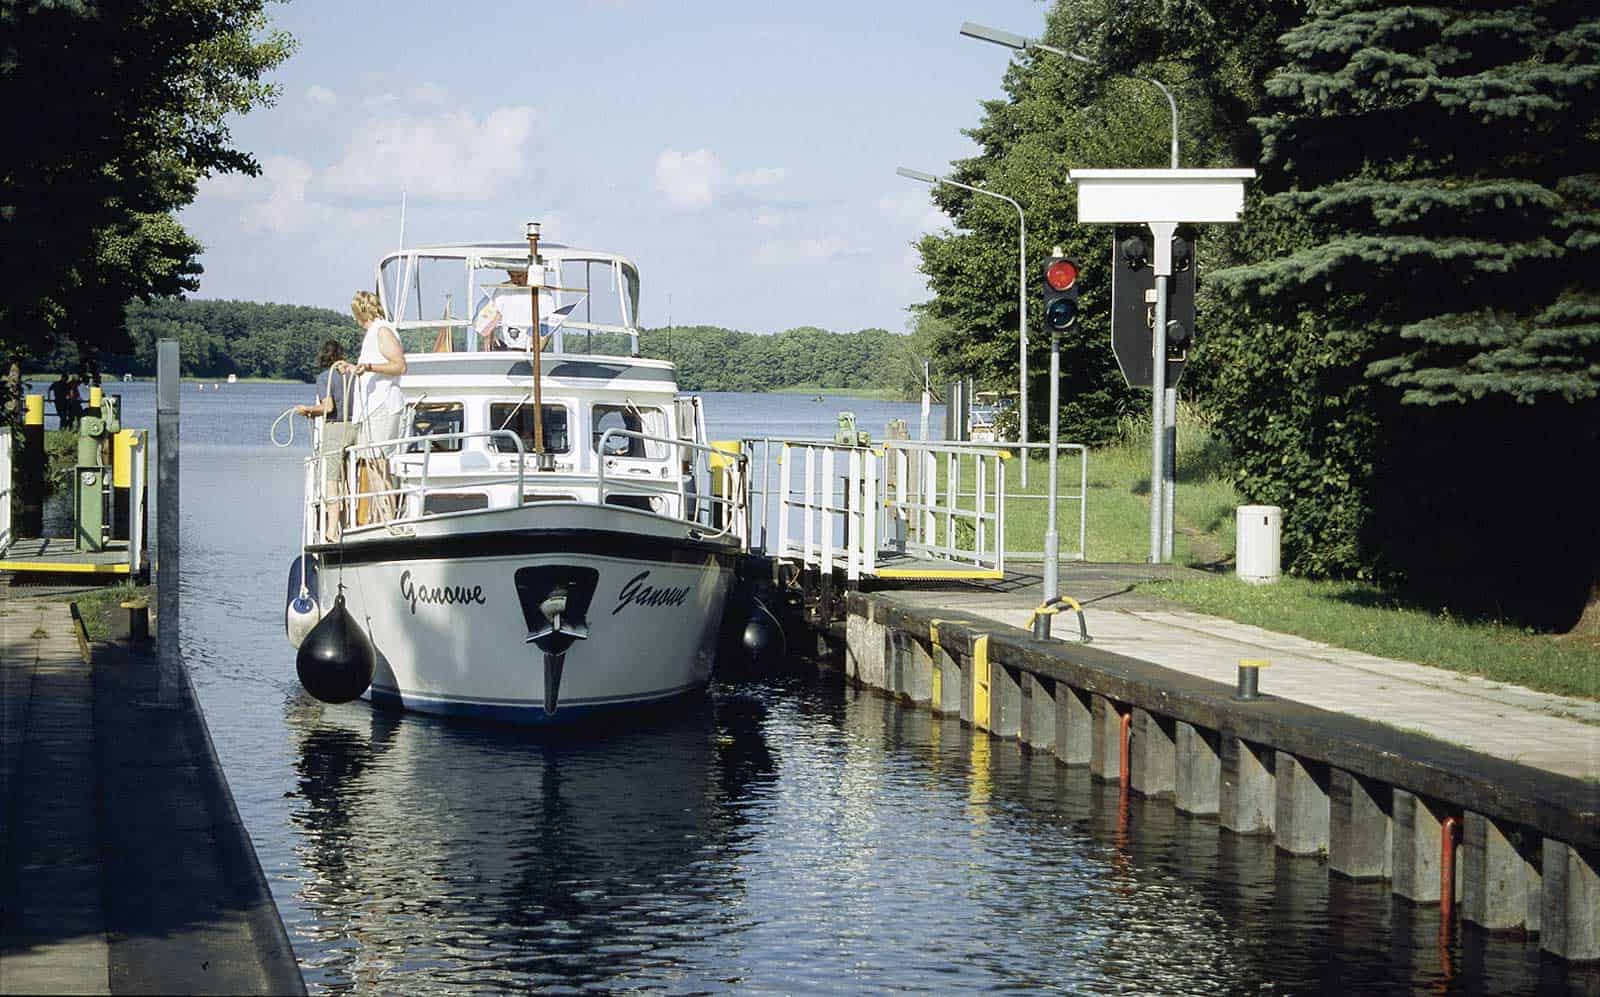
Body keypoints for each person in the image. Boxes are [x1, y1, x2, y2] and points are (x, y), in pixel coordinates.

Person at [337, 291, 407, 522]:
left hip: (383, 405)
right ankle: (380, 516)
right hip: (372, 407)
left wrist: (367, 366)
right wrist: (352, 367)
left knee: (378, 462)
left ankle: (387, 517)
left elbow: (399, 366)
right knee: (373, 463)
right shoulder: (374, 333)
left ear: (359, 313)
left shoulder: (382, 331)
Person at [297, 340, 352, 539]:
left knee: (331, 481)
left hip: (335, 430)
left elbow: (328, 408)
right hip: (354, 428)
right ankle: (350, 523)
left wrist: (308, 411)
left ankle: (332, 530)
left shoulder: (324, 377)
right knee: (348, 479)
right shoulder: (352, 375)